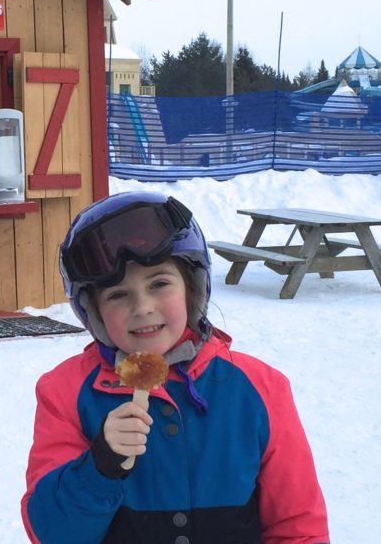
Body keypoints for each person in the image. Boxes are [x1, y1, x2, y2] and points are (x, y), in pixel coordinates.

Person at [22, 191, 329, 544]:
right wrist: (99, 468)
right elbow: (52, 534)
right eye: (118, 295)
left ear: (192, 288)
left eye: (160, 284)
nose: (143, 307)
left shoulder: (259, 388)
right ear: (94, 311)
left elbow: (298, 525)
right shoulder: (65, 392)